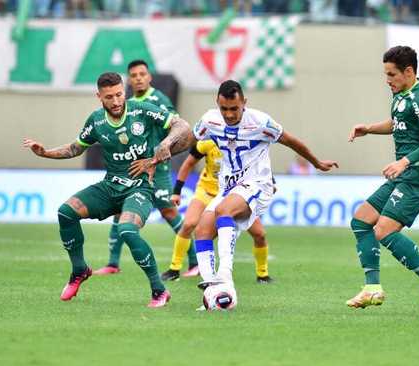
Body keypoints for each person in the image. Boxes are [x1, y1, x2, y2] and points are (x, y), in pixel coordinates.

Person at [131, 80, 338, 301]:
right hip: (228, 187)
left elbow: (292, 141)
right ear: (217, 104)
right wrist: (156, 158)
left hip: (258, 185)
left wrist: (316, 163)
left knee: (224, 212)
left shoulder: (259, 122)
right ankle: (212, 289)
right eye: (224, 109)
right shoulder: (210, 120)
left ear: (244, 103)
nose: (229, 114)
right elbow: (189, 141)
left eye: (234, 109)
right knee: (202, 230)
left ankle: (225, 275)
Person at [22, 72, 192, 308]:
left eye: (119, 94)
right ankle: (79, 270)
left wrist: (162, 147)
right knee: (65, 213)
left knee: (127, 230)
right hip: (111, 184)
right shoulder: (96, 121)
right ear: (99, 96)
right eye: (109, 97)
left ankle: (159, 290)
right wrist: (45, 152)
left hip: (140, 187)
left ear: (125, 91)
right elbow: (75, 148)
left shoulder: (141, 110)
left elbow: (182, 126)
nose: (116, 101)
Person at [345, 46, 419, 314]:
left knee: (383, 230)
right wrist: (369, 128)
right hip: (404, 174)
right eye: (385, 74)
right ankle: (372, 289)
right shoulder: (401, 94)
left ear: (409, 71)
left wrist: (404, 161)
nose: (387, 79)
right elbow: (397, 123)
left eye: (391, 74)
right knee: (361, 220)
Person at [94, 59, 197, 277]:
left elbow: (177, 126)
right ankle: (112, 263)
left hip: (156, 167)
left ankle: (195, 262)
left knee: (169, 211)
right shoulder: (127, 103)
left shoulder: (158, 99)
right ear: (129, 80)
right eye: (134, 75)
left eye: (142, 74)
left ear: (149, 77)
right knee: (119, 210)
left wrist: (162, 150)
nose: (138, 78)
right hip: (133, 167)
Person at [159, 139, 274, 284]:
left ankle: (262, 274)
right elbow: (188, 163)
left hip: (234, 196)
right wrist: (177, 191)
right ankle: (174, 269)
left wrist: (271, 182)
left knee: (260, 235)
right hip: (206, 192)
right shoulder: (207, 142)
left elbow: (259, 166)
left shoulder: (244, 144)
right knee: (188, 224)